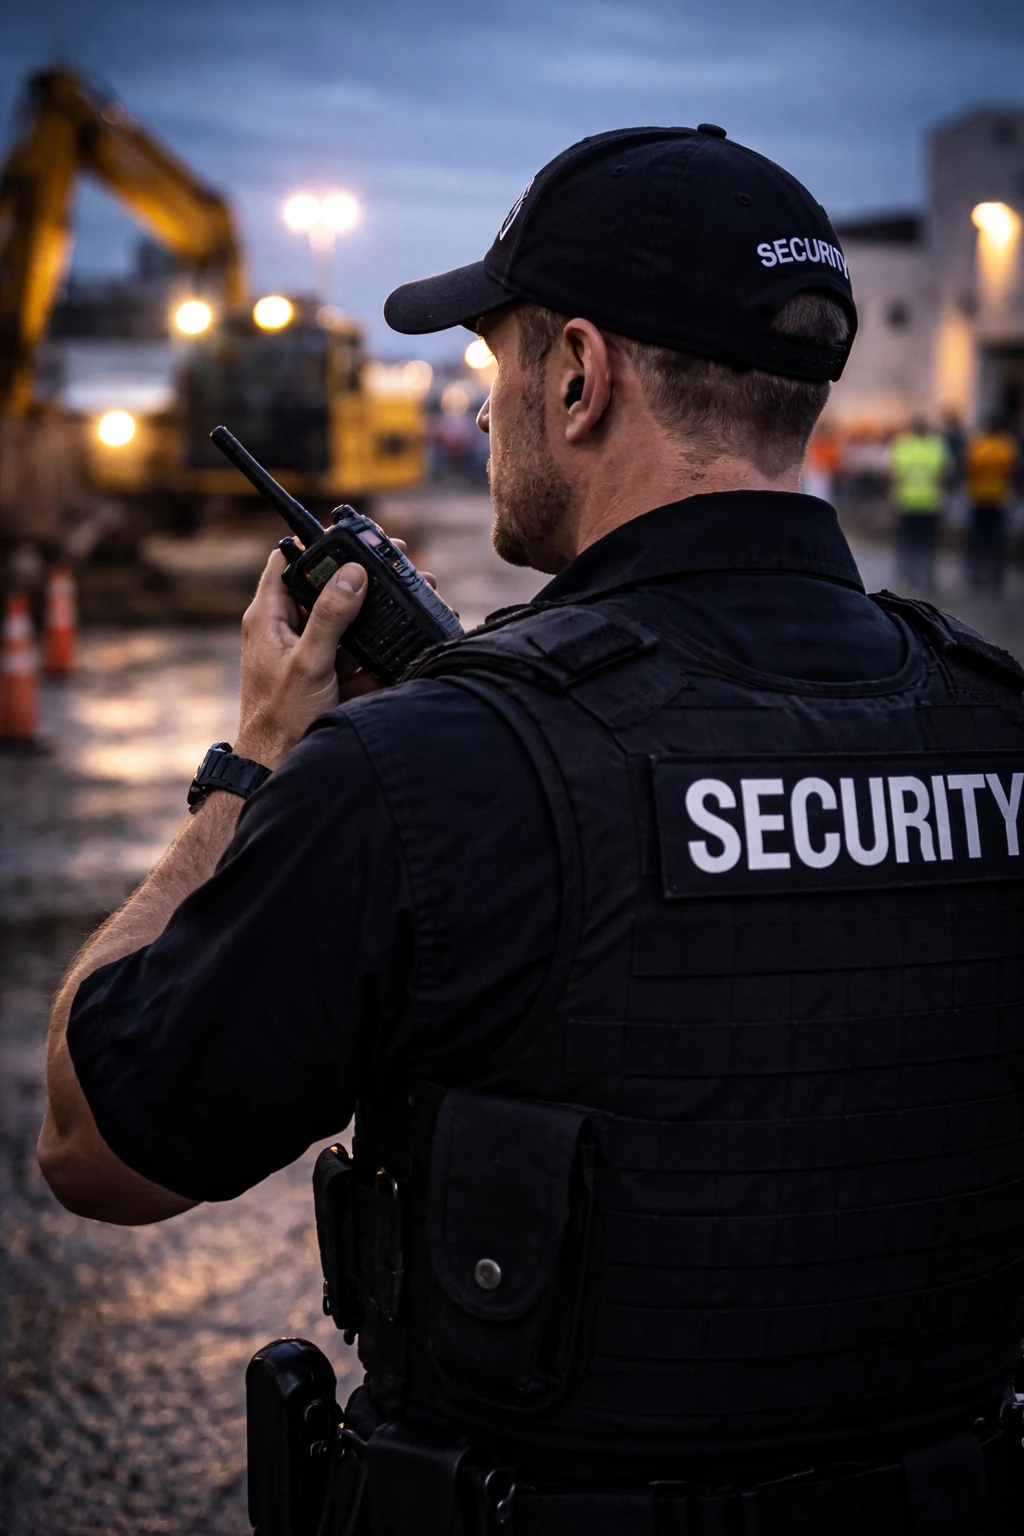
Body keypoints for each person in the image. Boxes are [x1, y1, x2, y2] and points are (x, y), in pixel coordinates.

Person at [39, 126, 1024, 1536]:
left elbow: (94, 1143)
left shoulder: (428, 767)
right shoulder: (995, 721)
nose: (488, 405)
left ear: (575, 374)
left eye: (491, 358)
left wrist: (251, 766)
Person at [888, 415, 952, 590]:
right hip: (914, 502)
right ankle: (911, 574)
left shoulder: (931, 445)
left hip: (924, 502)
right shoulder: (926, 445)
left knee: (923, 542)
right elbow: (895, 474)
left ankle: (922, 575)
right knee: (913, 542)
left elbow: (943, 474)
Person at [964, 415, 1020, 590]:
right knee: (996, 540)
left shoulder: (978, 445)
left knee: (979, 540)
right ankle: (994, 576)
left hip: (980, 497)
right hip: (997, 497)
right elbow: (1011, 472)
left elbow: (969, 469)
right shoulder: (1006, 446)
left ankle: (977, 574)